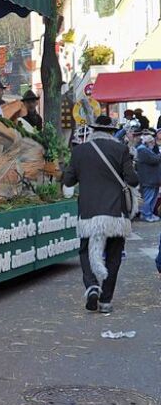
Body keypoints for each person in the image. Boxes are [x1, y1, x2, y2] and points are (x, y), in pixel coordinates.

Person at [62, 115, 139, 316]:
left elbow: (68, 181)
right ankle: (106, 300)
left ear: (93, 130)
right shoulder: (121, 150)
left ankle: (92, 287)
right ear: (112, 132)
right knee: (114, 255)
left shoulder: (79, 151)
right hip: (115, 214)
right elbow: (132, 179)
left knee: (86, 251)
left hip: (88, 213)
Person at [134, 130, 160, 222]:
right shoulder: (142, 150)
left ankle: (149, 214)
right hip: (148, 179)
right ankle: (146, 215)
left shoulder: (146, 149)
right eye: (151, 142)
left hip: (152, 179)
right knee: (149, 198)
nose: (153, 144)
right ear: (147, 142)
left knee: (152, 198)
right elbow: (154, 160)